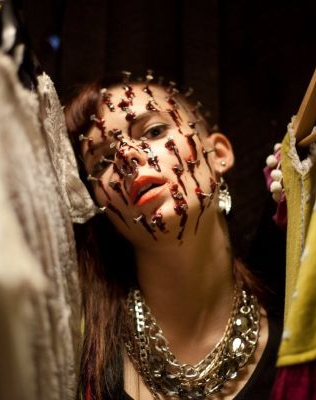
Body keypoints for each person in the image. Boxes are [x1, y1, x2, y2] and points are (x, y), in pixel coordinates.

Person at [64, 73, 281, 400]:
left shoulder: (299, 339)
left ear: (218, 153)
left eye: (153, 131)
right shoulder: (80, 354)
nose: (126, 155)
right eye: (102, 161)